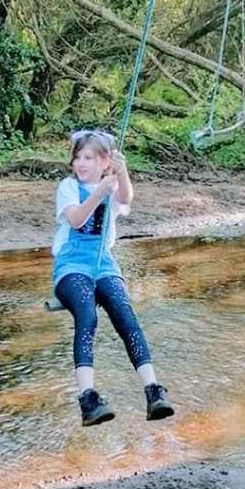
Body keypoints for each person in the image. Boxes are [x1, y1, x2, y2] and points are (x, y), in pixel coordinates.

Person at [52, 129, 174, 427]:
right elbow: (77, 219)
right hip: (71, 265)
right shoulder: (68, 187)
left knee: (126, 316)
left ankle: (153, 392)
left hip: (104, 263)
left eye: (88, 157)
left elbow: (125, 197)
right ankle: (89, 400)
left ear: (105, 161)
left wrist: (122, 171)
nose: (80, 163)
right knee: (86, 316)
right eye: (78, 157)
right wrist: (97, 192)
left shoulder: (112, 183)